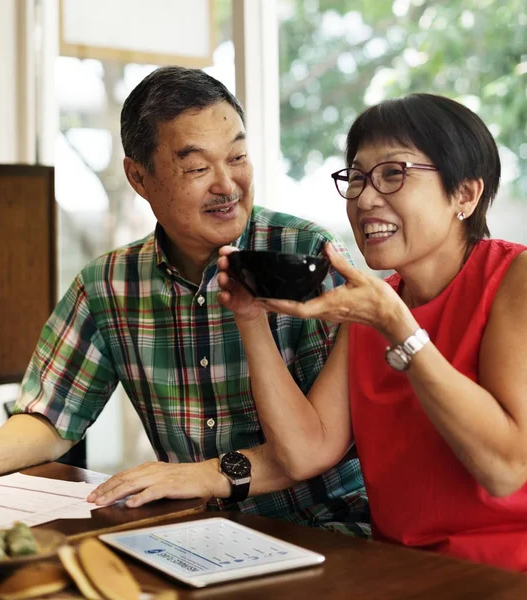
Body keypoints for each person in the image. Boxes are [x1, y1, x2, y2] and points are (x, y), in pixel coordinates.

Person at [0, 66, 369, 536]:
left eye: (237, 157)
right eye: (197, 168)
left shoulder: (306, 257)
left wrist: (198, 474)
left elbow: (327, 443)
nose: (226, 185)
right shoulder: (108, 285)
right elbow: (52, 418)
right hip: (195, 535)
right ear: (139, 177)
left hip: (329, 532)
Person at [217, 93, 527, 571]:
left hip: (500, 576)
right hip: (396, 571)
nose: (364, 198)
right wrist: (250, 317)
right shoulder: (378, 304)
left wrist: (397, 325)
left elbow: (505, 470)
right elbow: (307, 450)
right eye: (357, 177)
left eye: (392, 174)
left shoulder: (513, 279)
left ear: (464, 194)